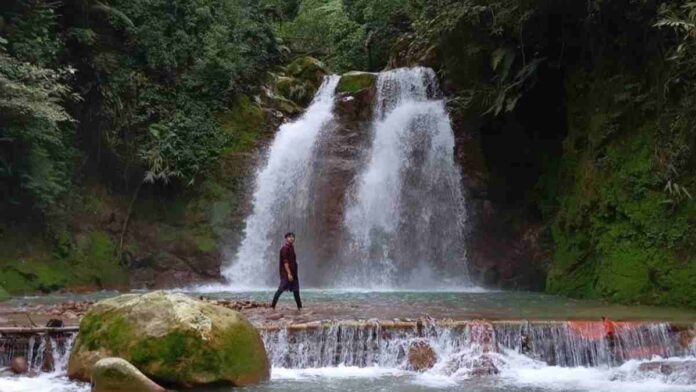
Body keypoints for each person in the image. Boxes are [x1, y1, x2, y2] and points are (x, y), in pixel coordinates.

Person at [271, 232, 302, 310]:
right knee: (280, 290)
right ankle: (272, 307)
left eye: (293, 237)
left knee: (296, 291)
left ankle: (300, 308)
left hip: (294, 273)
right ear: (286, 238)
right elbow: (285, 262)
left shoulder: (291, 247)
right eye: (289, 237)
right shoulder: (284, 248)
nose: (291, 238)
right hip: (287, 274)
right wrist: (289, 274)